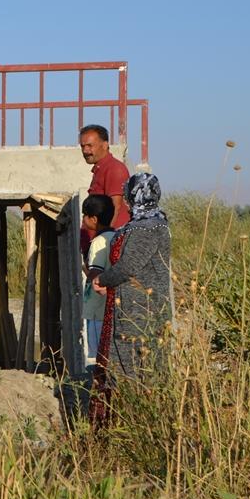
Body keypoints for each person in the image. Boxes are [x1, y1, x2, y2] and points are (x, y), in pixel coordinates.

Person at [89, 172, 174, 425]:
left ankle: (132, 424)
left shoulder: (148, 228)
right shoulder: (152, 224)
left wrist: (103, 280)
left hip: (138, 311)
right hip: (134, 306)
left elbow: (129, 266)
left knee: (132, 368)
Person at [80, 194, 115, 364]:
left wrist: (85, 269)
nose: (83, 220)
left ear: (93, 219)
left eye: (84, 216)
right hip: (108, 309)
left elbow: (95, 276)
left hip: (96, 310)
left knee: (95, 356)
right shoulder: (116, 236)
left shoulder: (99, 242)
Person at [79, 124, 131, 238]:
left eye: (90, 145)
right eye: (82, 146)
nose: (85, 151)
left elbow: (115, 208)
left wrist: (105, 240)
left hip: (107, 244)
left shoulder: (114, 169)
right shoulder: (100, 169)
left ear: (105, 145)